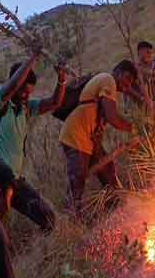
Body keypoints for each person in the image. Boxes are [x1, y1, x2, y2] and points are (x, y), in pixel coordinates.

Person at [0, 52, 67, 232]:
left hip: (14, 179)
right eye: (23, 91)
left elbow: (55, 103)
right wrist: (33, 57)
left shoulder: (25, 109)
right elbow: (13, 84)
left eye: (29, 93)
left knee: (48, 218)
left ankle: (46, 253)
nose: (25, 96)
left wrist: (61, 80)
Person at [59, 60, 138, 212]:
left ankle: (116, 211)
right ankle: (70, 224)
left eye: (130, 83)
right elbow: (113, 118)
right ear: (118, 72)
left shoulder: (107, 88)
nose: (127, 86)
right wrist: (135, 129)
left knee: (108, 170)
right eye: (127, 79)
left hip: (87, 139)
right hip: (76, 136)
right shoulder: (108, 80)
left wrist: (97, 149)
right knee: (77, 182)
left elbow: (100, 124)